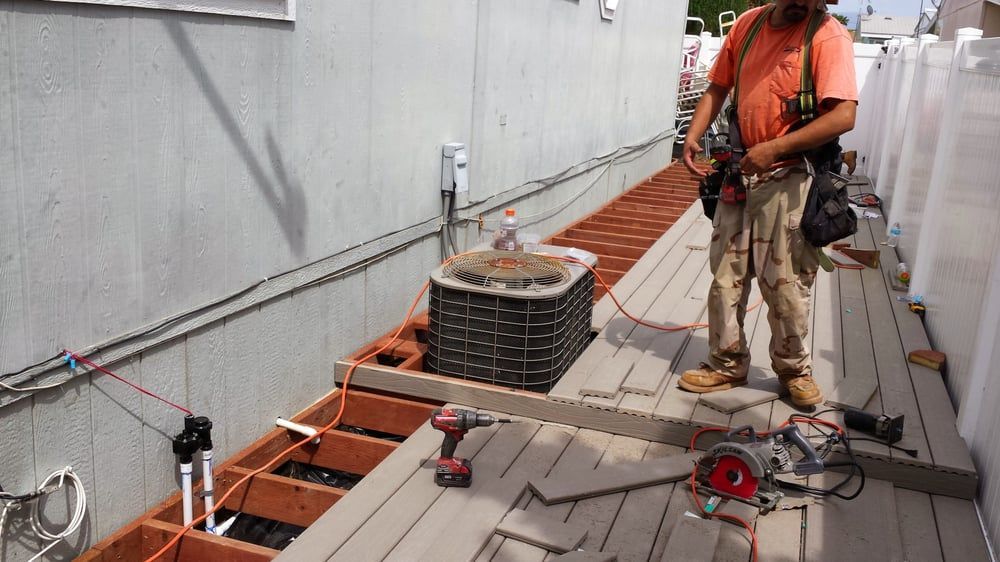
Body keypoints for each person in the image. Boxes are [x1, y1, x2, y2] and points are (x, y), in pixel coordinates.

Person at [679, 0, 857, 407]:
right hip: (739, 172)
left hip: (791, 176)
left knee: (786, 282)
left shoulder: (826, 35)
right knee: (726, 275)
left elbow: (844, 116)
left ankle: (794, 371)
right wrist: (693, 134)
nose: (803, 3)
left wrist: (775, 148)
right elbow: (718, 87)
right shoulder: (747, 26)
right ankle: (726, 363)